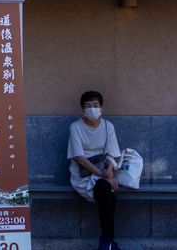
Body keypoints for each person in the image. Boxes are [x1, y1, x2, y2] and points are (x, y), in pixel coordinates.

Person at [67, 91, 122, 250]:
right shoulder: (75, 127)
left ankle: (107, 240)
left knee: (107, 191)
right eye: (88, 106)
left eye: (96, 105)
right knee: (107, 190)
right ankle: (109, 241)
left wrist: (109, 171)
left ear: (102, 108)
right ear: (82, 109)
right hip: (83, 174)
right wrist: (103, 175)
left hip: (105, 172)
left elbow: (113, 153)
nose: (92, 109)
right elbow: (79, 157)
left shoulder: (108, 126)